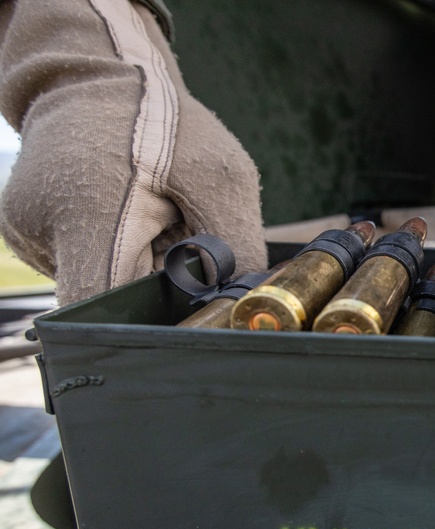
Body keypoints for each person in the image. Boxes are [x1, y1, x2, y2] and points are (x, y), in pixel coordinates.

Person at [0, 0, 267, 305]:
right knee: (113, 346)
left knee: (112, 338)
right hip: (104, 160)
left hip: (46, 148)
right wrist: (142, 113)